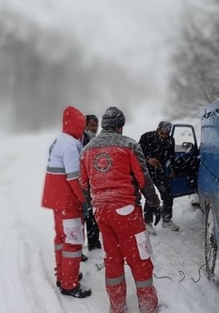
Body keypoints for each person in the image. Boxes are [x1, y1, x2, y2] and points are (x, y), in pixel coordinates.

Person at [80, 107, 161, 313]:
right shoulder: (129, 145)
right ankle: (148, 306)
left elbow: (84, 184)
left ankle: (117, 307)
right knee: (139, 258)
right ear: (120, 126)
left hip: (102, 213)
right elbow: (143, 178)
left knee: (113, 260)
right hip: (126, 212)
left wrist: (95, 204)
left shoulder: (87, 150)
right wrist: (154, 202)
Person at [41, 106, 92, 298]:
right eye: (82, 125)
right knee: (73, 240)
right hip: (68, 201)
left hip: (57, 200)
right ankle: (70, 284)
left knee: (62, 238)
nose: (83, 129)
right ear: (76, 124)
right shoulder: (71, 145)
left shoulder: (59, 140)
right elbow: (73, 177)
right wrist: (84, 198)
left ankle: (63, 274)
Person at [139, 121, 179, 235]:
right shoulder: (147, 137)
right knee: (150, 196)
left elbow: (171, 156)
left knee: (168, 194)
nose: (164, 136)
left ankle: (166, 219)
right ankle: (147, 221)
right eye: (162, 133)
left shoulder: (170, 140)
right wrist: (148, 159)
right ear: (158, 129)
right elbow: (138, 153)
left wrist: (172, 169)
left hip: (161, 171)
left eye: (167, 134)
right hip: (147, 171)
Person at [82, 114, 102, 251]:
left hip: (93, 181)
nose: (94, 128)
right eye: (91, 125)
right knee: (88, 213)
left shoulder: (94, 139)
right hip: (86, 181)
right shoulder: (84, 140)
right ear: (85, 125)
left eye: (96, 125)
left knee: (92, 212)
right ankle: (92, 242)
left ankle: (94, 240)